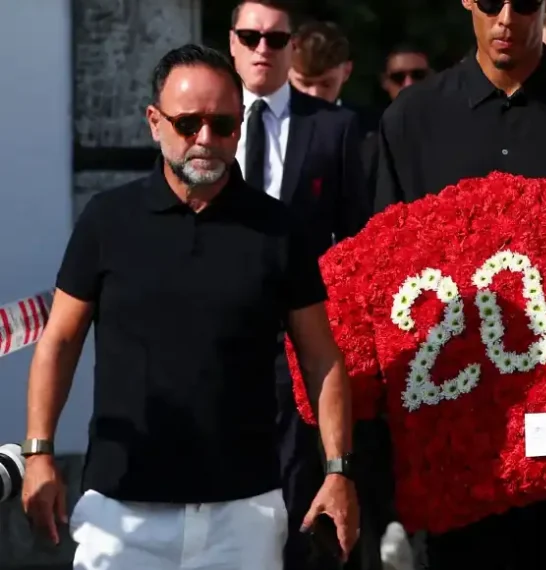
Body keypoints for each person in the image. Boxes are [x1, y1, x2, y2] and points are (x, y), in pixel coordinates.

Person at [20, 43, 359, 570]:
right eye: (187, 123)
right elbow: (59, 341)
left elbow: (322, 359)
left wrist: (338, 471)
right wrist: (39, 451)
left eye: (222, 124)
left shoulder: (278, 229)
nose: (205, 139)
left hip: (244, 515)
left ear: (239, 128)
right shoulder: (107, 220)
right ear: (154, 122)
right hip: (121, 512)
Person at [371, 0, 546, 568]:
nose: (506, 19)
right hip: (455, 415)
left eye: (523, 4)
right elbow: (389, 272)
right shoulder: (412, 118)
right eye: (492, 2)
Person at [229, 2, 372, 568]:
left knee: (293, 493)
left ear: (291, 45)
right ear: (233, 43)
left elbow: (357, 237)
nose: (262, 48)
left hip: (302, 338)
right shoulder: (204, 121)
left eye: (274, 38)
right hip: (221, 334)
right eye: (250, 36)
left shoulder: (334, 127)